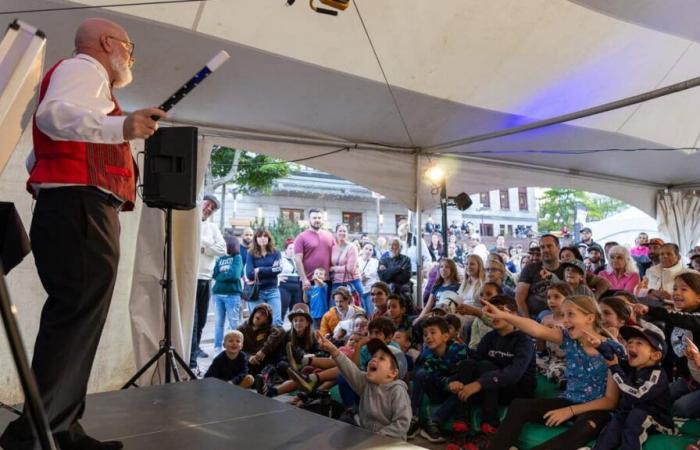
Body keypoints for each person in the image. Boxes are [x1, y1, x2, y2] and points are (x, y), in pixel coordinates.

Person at [1, 17, 167, 450]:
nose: (131, 57)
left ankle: (58, 426)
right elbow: (54, 116)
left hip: (71, 207)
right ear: (108, 43)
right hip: (79, 207)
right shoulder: (84, 69)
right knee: (75, 318)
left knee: (77, 319)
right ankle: (35, 435)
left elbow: (39, 152)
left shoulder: (87, 86)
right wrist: (122, 127)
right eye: (129, 48)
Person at [481, 295, 622, 450]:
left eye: (570, 314)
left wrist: (569, 411)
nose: (564, 320)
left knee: (585, 427)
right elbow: (536, 329)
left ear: (589, 318)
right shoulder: (569, 339)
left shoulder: (612, 350)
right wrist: (503, 315)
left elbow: (610, 401)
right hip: (569, 399)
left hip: (596, 409)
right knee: (519, 406)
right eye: (563, 315)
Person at [452, 295, 537, 448]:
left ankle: (490, 428)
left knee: (486, 368)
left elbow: (514, 374)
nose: (494, 315)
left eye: (499, 311)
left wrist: (479, 383)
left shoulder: (524, 341)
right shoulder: (490, 337)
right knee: (467, 364)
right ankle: (461, 425)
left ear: (514, 314)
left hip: (517, 391)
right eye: (491, 311)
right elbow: (476, 361)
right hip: (491, 388)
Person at [316, 332, 411, 440]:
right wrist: (333, 350)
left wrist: (378, 436)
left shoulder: (397, 391)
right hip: (366, 434)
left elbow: (402, 423)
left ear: (393, 373)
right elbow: (349, 369)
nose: (374, 359)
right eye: (374, 356)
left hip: (390, 441)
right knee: (344, 421)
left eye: (381, 358)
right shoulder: (365, 383)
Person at [591, 326, 673, 450]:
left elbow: (638, 394)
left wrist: (615, 369)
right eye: (629, 342)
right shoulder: (631, 366)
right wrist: (600, 345)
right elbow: (615, 355)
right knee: (617, 420)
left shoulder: (658, 374)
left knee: (637, 415)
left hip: (658, 420)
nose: (630, 346)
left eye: (639, 343)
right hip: (630, 414)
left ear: (655, 355)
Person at [408, 316, 468, 443]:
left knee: (466, 380)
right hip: (439, 390)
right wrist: (448, 383)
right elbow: (433, 378)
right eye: (425, 334)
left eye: (433, 332)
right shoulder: (426, 355)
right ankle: (414, 418)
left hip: (456, 391)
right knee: (421, 373)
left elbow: (468, 371)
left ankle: (433, 422)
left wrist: (455, 382)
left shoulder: (459, 350)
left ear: (446, 336)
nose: (428, 337)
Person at [189, 194, 227, 366]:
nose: (209, 208)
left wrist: (203, 247)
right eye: (208, 204)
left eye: (213, 208)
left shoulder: (212, 228)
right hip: (191, 277)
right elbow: (191, 244)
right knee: (193, 320)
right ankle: (191, 359)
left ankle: (195, 348)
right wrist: (206, 245)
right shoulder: (190, 222)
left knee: (202, 318)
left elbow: (222, 249)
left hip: (206, 278)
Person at [515, 234, 565, 317]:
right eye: (542, 247)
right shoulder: (530, 269)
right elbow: (519, 298)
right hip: (533, 318)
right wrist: (527, 322)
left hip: (561, 317)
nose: (545, 250)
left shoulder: (567, 269)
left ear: (558, 248)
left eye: (549, 246)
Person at [211, 235, 243, 354]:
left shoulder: (237, 258)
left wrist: (220, 276)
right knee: (218, 323)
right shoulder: (219, 258)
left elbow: (234, 275)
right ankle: (217, 348)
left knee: (233, 323)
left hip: (232, 295)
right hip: (218, 294)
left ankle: (236, 348)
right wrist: (223, 275)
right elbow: (213, 273)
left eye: (223, 243)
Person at [246, 229, 283, 326]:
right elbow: (249, 274)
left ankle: (275, 341)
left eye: (265, 236)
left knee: (276, 322)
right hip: (257, 292)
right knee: (257, 323)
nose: (263, 239)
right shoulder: (251, 253)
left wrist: (260, 270)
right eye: (260, 236)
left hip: (273, 291)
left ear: (269, 238)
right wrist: (270, 270)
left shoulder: (276, 253)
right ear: (256, 239)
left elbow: (278, 270)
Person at [237, 303, 284, 377]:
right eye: (258, 312)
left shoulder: (269, 329)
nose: (258, 315)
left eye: (263, 314)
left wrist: (264, 350)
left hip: (261, 361)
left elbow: (281, 331)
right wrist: (249, 357)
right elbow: (237, 350)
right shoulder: (241, 328)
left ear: (266, 321)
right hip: (247, 360)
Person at [294, 208, 335, 292]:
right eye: (314, 218)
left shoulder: (329, 236)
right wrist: (304, 279)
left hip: (327, 280)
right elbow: (298, 260)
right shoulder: (301, 237)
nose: (317, 220)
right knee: (310, 305)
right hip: (309, 281)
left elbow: (335, 255)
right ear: (309, 220)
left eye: (319, 218)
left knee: (327, 305)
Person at [330, 224, 364, 304]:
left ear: (347, 233)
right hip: (337, 282)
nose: (342, 233)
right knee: (334, 309)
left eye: (344, 231)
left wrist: (334, 268)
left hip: (352, 282)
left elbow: (350, 269)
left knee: (356, 309)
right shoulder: (333, 248)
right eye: (340, 231)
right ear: (336, 233)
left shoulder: (352, 247)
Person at [278, 240, 302, 321]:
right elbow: (274, 269)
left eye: (294, 248)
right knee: (282, 309)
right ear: (285, 249)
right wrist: (278, 278)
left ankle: (295, 330)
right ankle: (278, 330)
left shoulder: (298, 258)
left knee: (296, 310)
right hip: (285, 285)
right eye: (290, 248)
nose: (292, 250)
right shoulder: (280, 258)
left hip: (297, 285)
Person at [358, 243, 379, 315]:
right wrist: (361, 277)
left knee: (370, 312)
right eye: (366, 249)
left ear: (372, 252)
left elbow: (377, 277)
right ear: (362, 250)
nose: (368, 251)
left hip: (370, 290)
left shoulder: (376, 262)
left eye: (370, 250)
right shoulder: (357, 260)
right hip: (359, 290)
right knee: (360, 313)